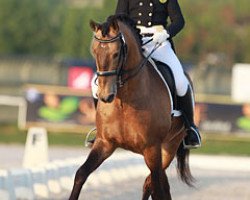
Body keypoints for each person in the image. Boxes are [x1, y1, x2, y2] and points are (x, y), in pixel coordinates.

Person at [89, 0, 201, 149]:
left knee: (180, 80)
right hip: (131, 41)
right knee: (95, 82)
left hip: (158, 41)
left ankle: (190, 127)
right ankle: (100, 128)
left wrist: (166, 34)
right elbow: (116, 20)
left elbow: (179, 21)